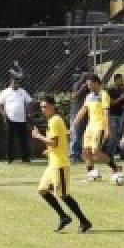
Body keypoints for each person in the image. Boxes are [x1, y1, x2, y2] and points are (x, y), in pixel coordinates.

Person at [32, 96, 92, 233]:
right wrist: (49, 151)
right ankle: (63, 216)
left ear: (53, 106)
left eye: (45, 106)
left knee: (64, 195)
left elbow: (54, 142)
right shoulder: (53, 120)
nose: (43, 109)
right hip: (52, 164)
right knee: (42, 189)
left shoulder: (55, 121)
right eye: (41, 107)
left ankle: (84, 221)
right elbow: (61, 140)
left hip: (59, 165)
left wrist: (37, 136)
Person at [72, 74, 121, 182]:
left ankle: (116, 168)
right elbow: (83, 110)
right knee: (86, 152)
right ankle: (91, 173)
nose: (88, 87)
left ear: (96, 83)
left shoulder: (103, 95)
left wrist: (107, 129)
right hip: (90, 127)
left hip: (100, 127)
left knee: (96, 152)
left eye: (90, 84)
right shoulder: (89, 96)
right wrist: (75, 123)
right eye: (87, 84)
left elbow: (106, 112)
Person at [0, 74, 33, 163]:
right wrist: (3, 114)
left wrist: (28, 113)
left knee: (23, 139)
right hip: (10, 119)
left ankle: (25, 158)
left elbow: (30, 102)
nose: (15, 83)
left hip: (22, 120)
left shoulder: (23, 91)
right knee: (9, 140)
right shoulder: (5, 92)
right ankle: (9, 158)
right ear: (10, 82)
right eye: (14, 81)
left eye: (17, 82)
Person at [106, 74, 124, 158]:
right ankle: (109, 154)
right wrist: (121, 98)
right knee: (113, 135)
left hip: (123, 115)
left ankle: (123, 154)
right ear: (115, 81)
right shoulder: (110, 91)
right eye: (120, 80)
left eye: (122, 80)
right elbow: (111, 103)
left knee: (123, 134)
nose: (122, 82)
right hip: (113, 116)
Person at [68, 71, 91, 163]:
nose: (86, 80)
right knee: (75, 134)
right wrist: (82, 88)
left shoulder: (89, 87)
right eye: (85, 77)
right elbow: (74, 96)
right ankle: (73, 155)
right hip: (76, 113)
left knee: (83, 135)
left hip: (86, 114)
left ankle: (80, 155)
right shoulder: (78, 85)